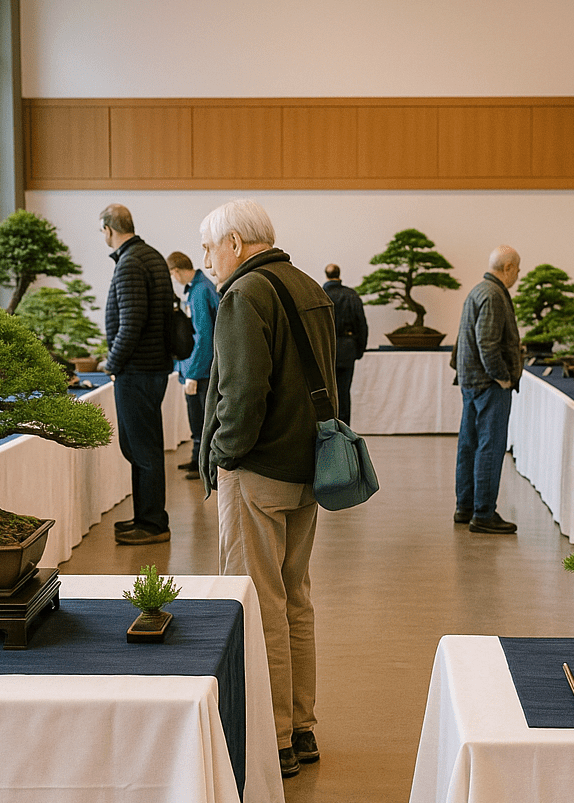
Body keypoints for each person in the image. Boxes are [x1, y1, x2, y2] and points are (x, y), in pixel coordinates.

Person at [198, 199, 336, 779]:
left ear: (234, 242)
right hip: (309, 467)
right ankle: (301, 725)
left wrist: (225, 456)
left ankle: (273, 736)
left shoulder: (243, 296)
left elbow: (243, 395)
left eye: (209, 247)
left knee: (261, 603)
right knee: (295, 596)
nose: (206, 259)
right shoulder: (309, 286)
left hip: (258, 470)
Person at [100, 203, 175, 545]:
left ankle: (153, 523)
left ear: (109, 229)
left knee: (141, 449)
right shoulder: (152, 256)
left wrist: (111, 363)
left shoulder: (130, 263)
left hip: (137, 370)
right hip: (153, 367)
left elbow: (131, 323)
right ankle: (147, 517)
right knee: (143, 446)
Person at [453, 245, 523, 534]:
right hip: (488, 383)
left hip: (471, 380)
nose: (518, 275)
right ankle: (483, 513)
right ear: (507, 268)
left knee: (469, 445)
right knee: (490, 448)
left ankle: (465, 507)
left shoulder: (479, 290)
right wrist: (503, 377)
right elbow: (487, 343)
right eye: (517, 269)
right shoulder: (494, 295)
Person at [167, 251, 220, 480]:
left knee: (202, 418)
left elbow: (203, 336)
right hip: (197, 367)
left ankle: (204, 463)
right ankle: (197, 458)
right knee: (196, 417)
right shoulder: (198, 288)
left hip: (201, 369)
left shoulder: (199, 292)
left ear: (176, 270)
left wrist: (193, 374)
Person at [322, 263, 368, 425]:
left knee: (324, 392)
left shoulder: (320, 294)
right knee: (343, 391)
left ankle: (326, 428)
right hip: (347, 349)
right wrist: (359, 350)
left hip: (324, 349)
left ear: (326, 275)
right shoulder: (351, 295)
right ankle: (344, 430)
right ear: (339, 274)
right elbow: (361, 325)